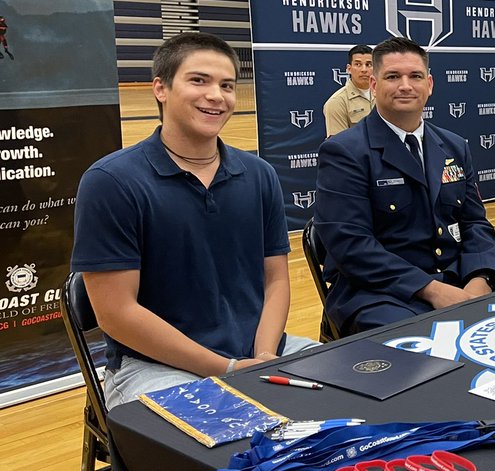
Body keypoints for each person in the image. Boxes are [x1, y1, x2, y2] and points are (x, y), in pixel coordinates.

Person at [71, 32, 317, 408]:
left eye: (227, 85)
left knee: (351, 398)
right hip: (152, 366)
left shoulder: (259, 174)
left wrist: (263, 357)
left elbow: (276, 278)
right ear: (161, 89)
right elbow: (117, 314)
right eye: (199, 80)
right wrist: (228, 368)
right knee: (233, 441)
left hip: (258, 353)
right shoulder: (111, 182)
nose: (216, 95)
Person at [314, 37, 495, 332]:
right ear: (373, 85)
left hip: (459, 279)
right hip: (381, 294)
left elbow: (475, 223)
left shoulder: (454, 146)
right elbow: (351, 246)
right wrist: (433, 290)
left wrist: (480, 279)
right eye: (393, 76)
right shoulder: (345, 152)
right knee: (431, 356)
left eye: (415, 76)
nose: (405, 85)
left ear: (430, 84)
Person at [323, 44, 374, 136]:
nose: (364, 69)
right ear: (349, 69)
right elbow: (338, 144)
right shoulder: (337, 102)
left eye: (368, 64)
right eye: (358, 64)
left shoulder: (384, 95)